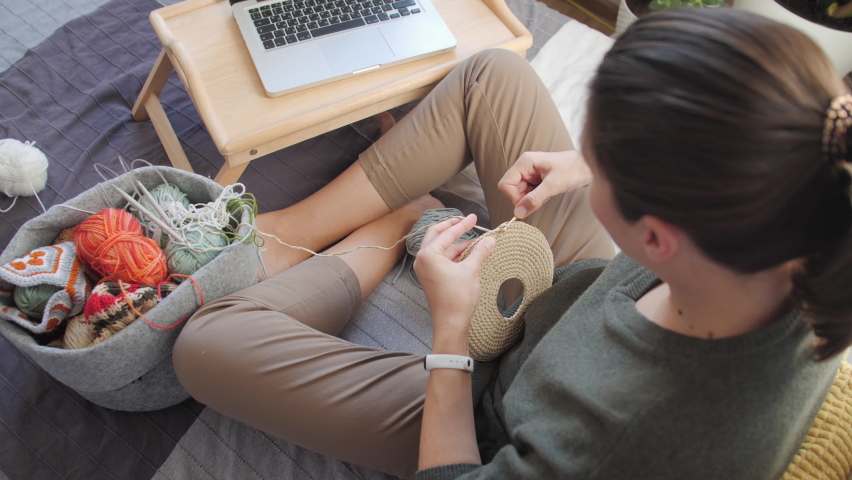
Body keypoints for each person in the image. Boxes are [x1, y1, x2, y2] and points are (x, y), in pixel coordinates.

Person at [171, 8, 852, 480]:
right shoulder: (815, 209)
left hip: (493, 413)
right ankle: (292, 234)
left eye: (599, 161)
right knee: (494, 75)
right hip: (583, 296)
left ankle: (393, 225)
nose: (576, 156)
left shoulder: (616, 440)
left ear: (656, 236)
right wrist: (590, 168)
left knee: (205, 345)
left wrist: (450, 332)